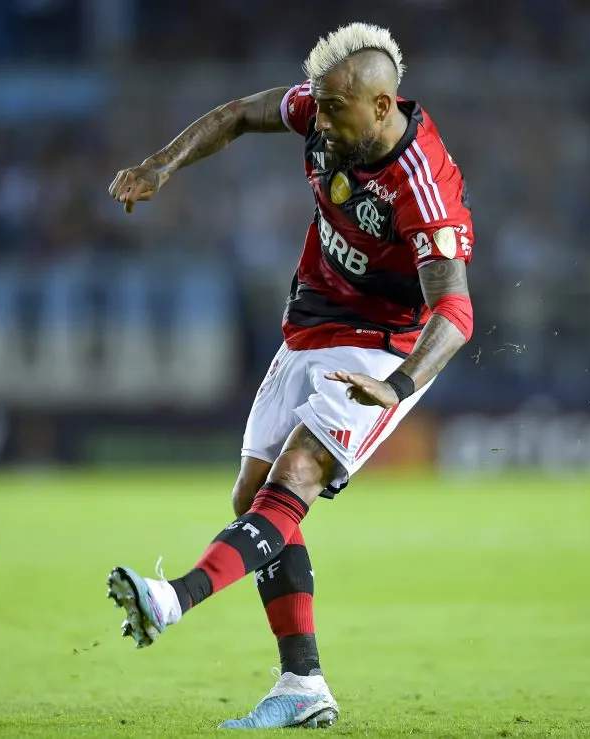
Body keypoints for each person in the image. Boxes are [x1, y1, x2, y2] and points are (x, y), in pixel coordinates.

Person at [105, 22, 475, 730]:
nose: (321, 121)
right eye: (320, 107)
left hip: (382, 347)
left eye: (336, 112)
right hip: (311, 320)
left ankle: (171, 598)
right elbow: (236, 115)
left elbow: (454, 313)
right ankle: (303, 683)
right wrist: (161, 164)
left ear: (383, 105)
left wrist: (397, 386)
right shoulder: (324, 107)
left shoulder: (423, 186)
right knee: (253, 494)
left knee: (295, 477)